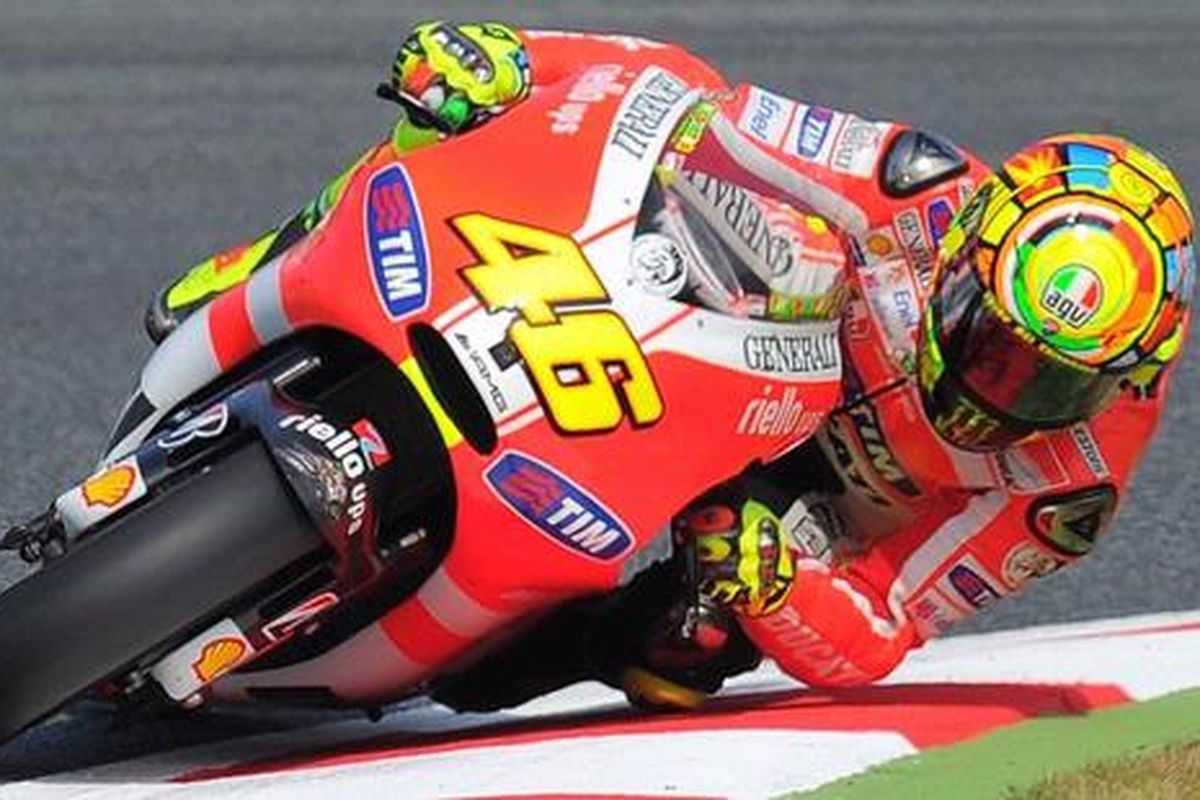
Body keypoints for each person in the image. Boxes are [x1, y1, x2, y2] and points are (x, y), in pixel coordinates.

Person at [144, 22, 1195, 709]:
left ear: (1127, 375)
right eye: (990, 337)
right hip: (736, 337)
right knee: (460, 119)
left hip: (794, 500)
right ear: (968, 251)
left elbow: (887, 626)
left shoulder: (1070, 489)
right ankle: (289, 255)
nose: (998, 386)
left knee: (674, 657)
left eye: (1053, 381)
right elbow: (684, 102)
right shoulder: (911, 182)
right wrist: (520, 61)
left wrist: (784, 584)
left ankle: (465, 637)